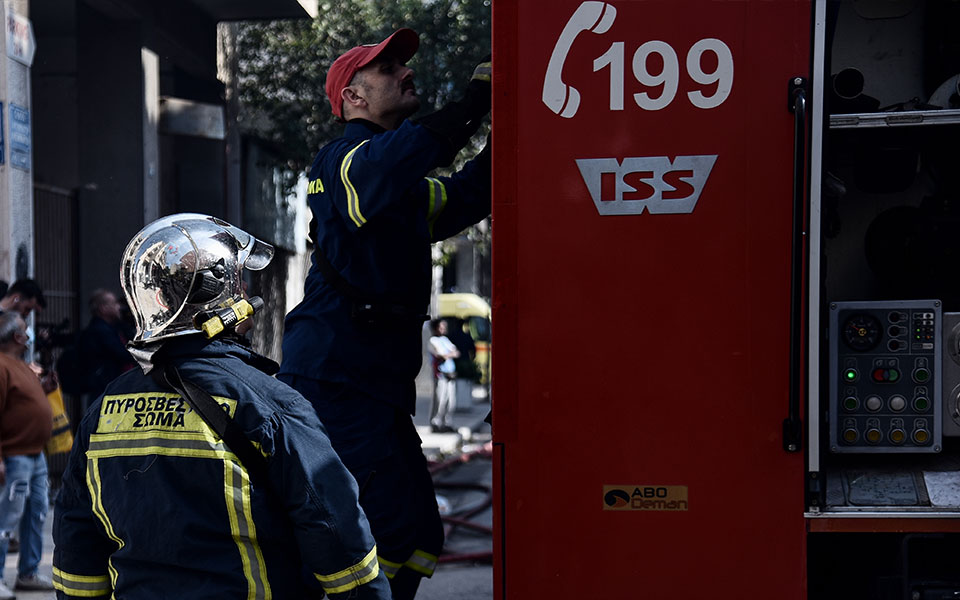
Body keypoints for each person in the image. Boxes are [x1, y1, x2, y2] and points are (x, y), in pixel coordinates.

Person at [53, 214, 390, 599]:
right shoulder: (270, 406)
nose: (246, 293)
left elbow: (76, 542)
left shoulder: (104, 411)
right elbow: (335, 531)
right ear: (218, 295)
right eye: (239, 283)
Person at [278, 28, 491, 598]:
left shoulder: (393, 185)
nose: (404, 72)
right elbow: (412, 151)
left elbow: (467, 195)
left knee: (419, 532)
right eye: (388, 68)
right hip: (336, 380)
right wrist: (475, 102)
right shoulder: (343, 163)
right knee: (376, 532)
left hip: (374, 384)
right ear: (354, 96)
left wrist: (519, 124)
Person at [0, 311, 56, 598]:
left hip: (35, 456)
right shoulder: (1, 366)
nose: (29, 332)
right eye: (24, 328)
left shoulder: (20, 365)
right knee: (6, 518)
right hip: (14, 456)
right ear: (16, 336)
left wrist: (44, 389)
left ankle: (28, 573)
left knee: (35, 513)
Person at [77, 289, 136, 398]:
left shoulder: (114, 327)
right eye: (114, 303)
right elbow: (123, 353)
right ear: (103, 308)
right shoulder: (100, 330)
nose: (119, 307)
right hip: (106, 386)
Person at [427, 319, 459, 433]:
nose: (443, 329)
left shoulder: (445, 340)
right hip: (440, 375)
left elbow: (456, 352)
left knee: (450, 401)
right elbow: (440, 355)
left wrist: (448, 354)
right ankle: (436, 423)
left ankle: (446, 423)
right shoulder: (433, 340)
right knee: (439, 401)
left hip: (450, 375)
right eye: (441, 327)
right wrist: (448, 354)